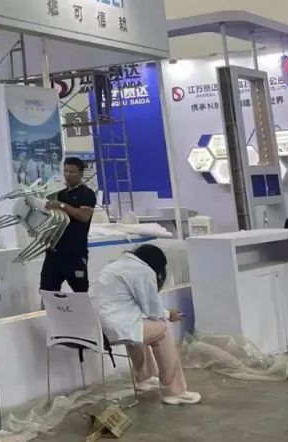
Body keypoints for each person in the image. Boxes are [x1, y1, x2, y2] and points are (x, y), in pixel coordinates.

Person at [90, 244, 200, 406]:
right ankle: (174, 391)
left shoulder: (115, 266)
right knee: (161, 329)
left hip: (97, 328)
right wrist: (169, 314)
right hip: (116, 327)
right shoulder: (143, 271)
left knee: (142, 328)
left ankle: (144, 378)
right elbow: (153, 310)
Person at [40, 156, 97, 292]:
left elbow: (84, 216)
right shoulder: (59, 194)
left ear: (81, 173)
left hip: (74, 253)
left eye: (72, 172)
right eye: (65, 171)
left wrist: (62, 206)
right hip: (54, 252)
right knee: (47, 291)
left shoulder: (87, 194)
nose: (68, 175)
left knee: (80, 292)